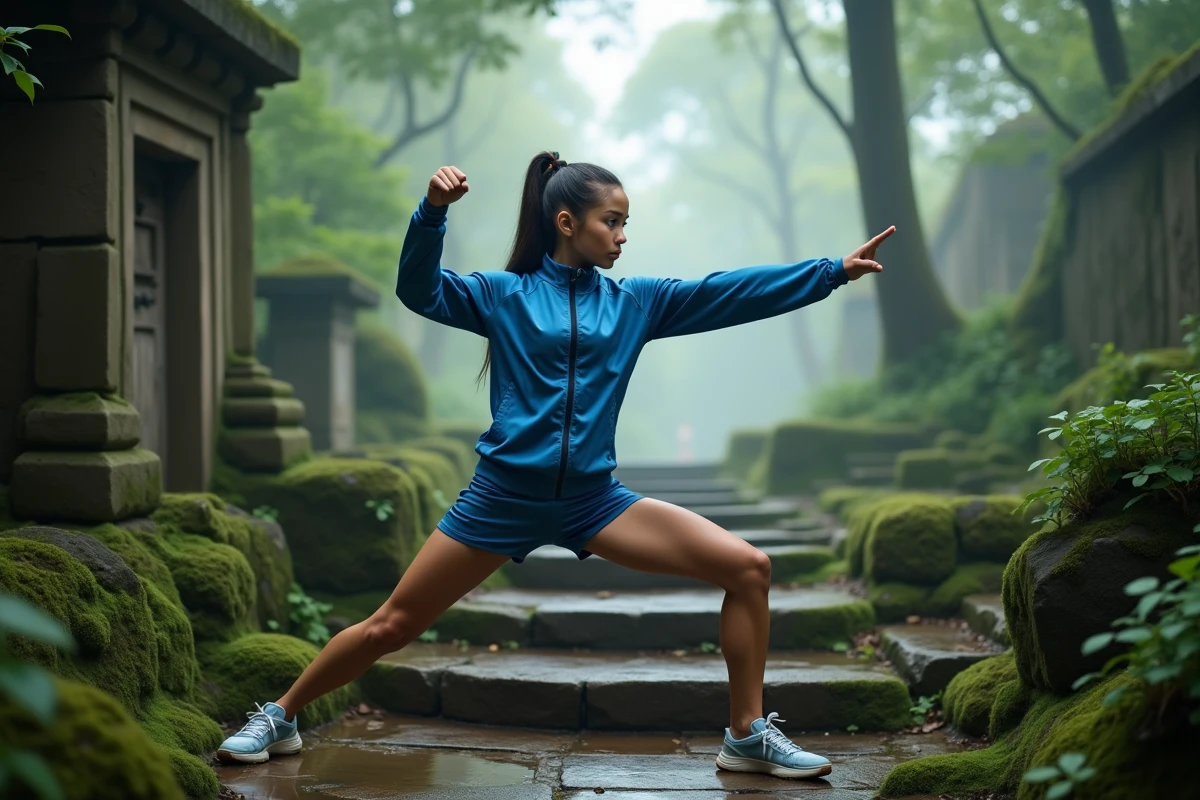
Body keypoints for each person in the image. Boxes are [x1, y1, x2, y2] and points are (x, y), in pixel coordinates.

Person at [217, 151, 893, 780]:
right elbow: (418, 291)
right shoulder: (502, 295)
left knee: (750, 568)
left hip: (595, 502)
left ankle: (745, 734)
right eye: (613, 221)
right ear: (567, 223)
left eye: (626, 223)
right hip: (501, 497)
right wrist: (431, 214)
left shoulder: (635, 302)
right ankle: (279, 715)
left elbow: (728, 293)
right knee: (392, 624)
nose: (623, 235)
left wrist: (829, 271)